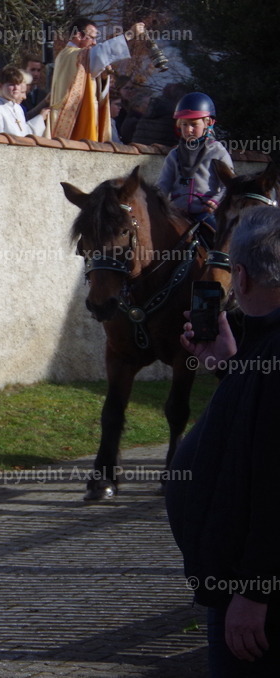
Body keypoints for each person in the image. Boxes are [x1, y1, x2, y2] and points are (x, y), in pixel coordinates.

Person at [167, 205, 280, 677]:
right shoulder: (263, 345)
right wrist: (228, 366)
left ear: (241, 277)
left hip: (257, 604)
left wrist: (255, 593)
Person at [49, 17, 146, 142]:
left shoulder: (73, 55)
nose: (94, 43)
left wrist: (103, 78)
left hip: (79, 112)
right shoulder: (73, 55)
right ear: (79, 35)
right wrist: (130, 34)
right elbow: (101, 53)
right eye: (92, 37)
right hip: (71, 117)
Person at [156, 92, 233, 227]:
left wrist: (215, 202)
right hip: (178, 213)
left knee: (219, 239)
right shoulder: (174, 155)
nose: (188, 130)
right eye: (184, 124)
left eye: (194, 124)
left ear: (208, 123)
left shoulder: (218, 152)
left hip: (206, 213)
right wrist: (160, 204)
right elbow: (163, 185)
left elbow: (228, 185)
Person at [0, 66, 47, 137]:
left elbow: (25, 135)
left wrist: (40, 118)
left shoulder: (18, 108)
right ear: (0, 86)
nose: (16, 88)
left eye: (18, 84)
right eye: (11, 84)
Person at [21, 54, 48, 121]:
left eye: (38, 70)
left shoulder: (43, 94)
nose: (36, 74)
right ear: (24, 70)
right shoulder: (16, 93)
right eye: (32, 70)